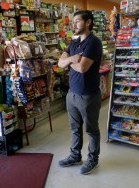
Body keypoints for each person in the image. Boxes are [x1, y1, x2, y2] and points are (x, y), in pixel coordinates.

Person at [57, 10, 102, 175]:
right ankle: (75, 156)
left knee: (91, 130)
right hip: (72, 94)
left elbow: (82, 67)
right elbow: (60, 63)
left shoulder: (94, 42)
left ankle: (93, 159)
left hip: (88, 95)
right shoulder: (74, 43)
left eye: (77, 21)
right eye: (73, 21)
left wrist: (69, 61)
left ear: (88, 22)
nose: (73, 24)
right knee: (74, 128)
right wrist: (70, 59)